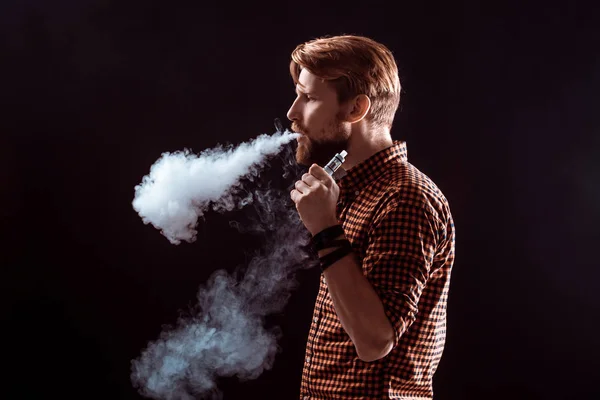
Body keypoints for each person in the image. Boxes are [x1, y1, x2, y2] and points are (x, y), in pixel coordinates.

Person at [288, 35, 456, 399]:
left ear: (355, 110)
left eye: (309, 97)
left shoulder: (406, 199)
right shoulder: (349, 191)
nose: (293, 112)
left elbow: (374, 341)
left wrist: (325, 230)